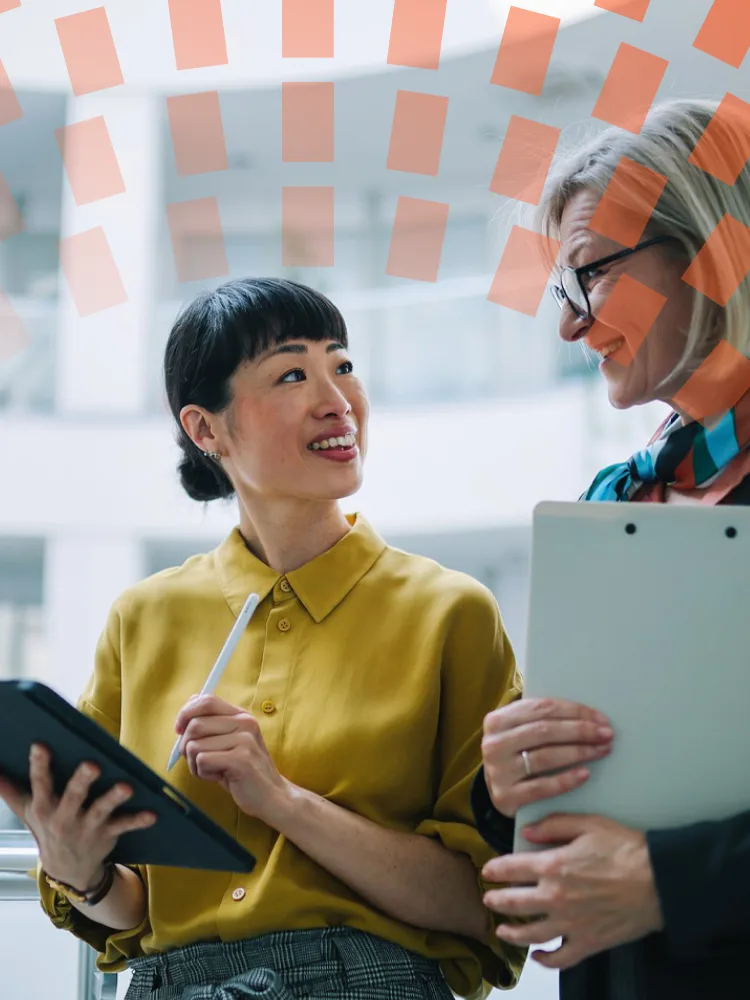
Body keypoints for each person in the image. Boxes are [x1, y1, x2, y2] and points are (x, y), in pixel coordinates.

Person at [0, 278, 526, 999]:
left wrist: (280, 798)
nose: (338, 399)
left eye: (342, 365)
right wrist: (77, 869)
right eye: (291, 374)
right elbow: (134, 908)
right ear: (205, 429)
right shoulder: (142, 619)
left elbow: (484, 903)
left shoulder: (451, 614)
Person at [474, 98, 750, 999]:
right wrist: (505, 778)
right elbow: (554, 810)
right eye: (564, 289)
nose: (570, 325)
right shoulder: (614, 502)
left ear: (715, 255)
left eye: (590, 274)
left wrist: (664, 881)